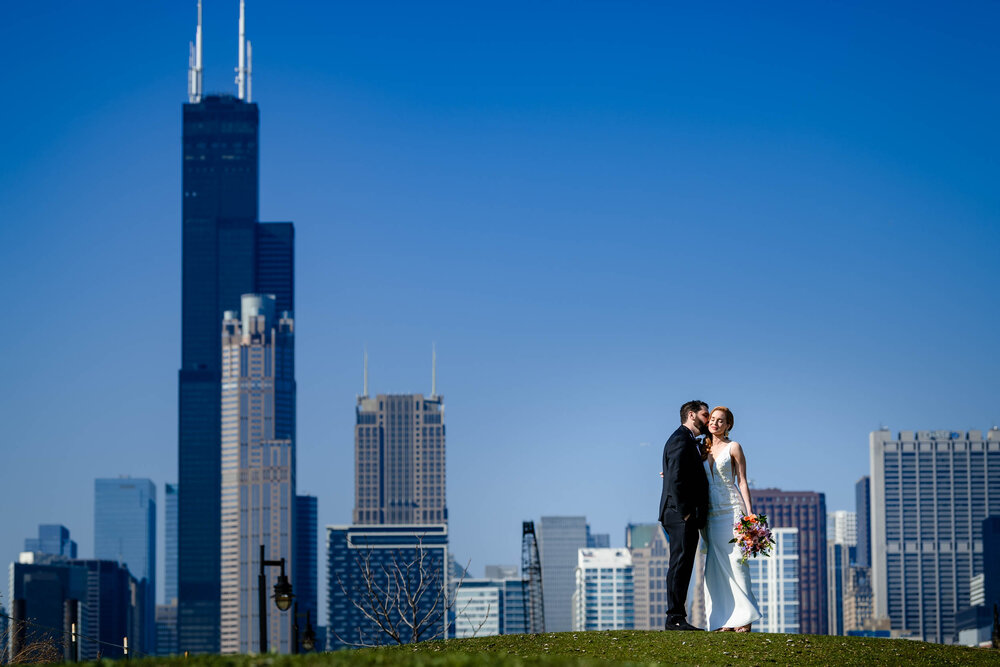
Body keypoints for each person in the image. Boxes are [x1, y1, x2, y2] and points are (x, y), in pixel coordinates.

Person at [699, 406, 762, 632]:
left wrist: (750, 515)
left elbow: (743, 481)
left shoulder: (734, 447)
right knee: (715, 567)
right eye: (712, 420)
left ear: (728, 425)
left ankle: (744, 619)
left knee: (737, 563)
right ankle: (725, 620)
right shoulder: (701, 448)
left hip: (733, 510)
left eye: (720, 421)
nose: (715, 423)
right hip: (711, 514)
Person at [658, 400, 710, 631]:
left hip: (680, 514)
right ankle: (675, 618)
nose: (708, 420)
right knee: (679, 565)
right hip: (679, 515)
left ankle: (677, 616)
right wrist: (686, 513)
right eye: (705, 415)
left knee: (684, 565)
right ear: (691, 415)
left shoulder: (686, 440)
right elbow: (676, 479)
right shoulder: (680, 440)